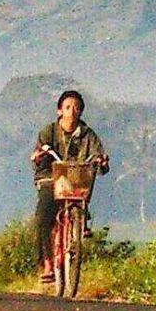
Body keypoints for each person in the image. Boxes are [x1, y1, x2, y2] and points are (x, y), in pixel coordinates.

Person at [29, 90, 109, 284]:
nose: (72, 111)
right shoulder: (48, 132)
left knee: (82, 190)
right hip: (50, 179)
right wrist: (39, 156)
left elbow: (99, 159)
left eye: (76, 107)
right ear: (59, 111)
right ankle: (47, 263)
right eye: (68, 107)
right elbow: (38, 156)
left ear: (81, 111)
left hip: (75, 179)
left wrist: (102, 162)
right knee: (42, 218)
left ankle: (81, 220)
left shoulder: (88, 135)